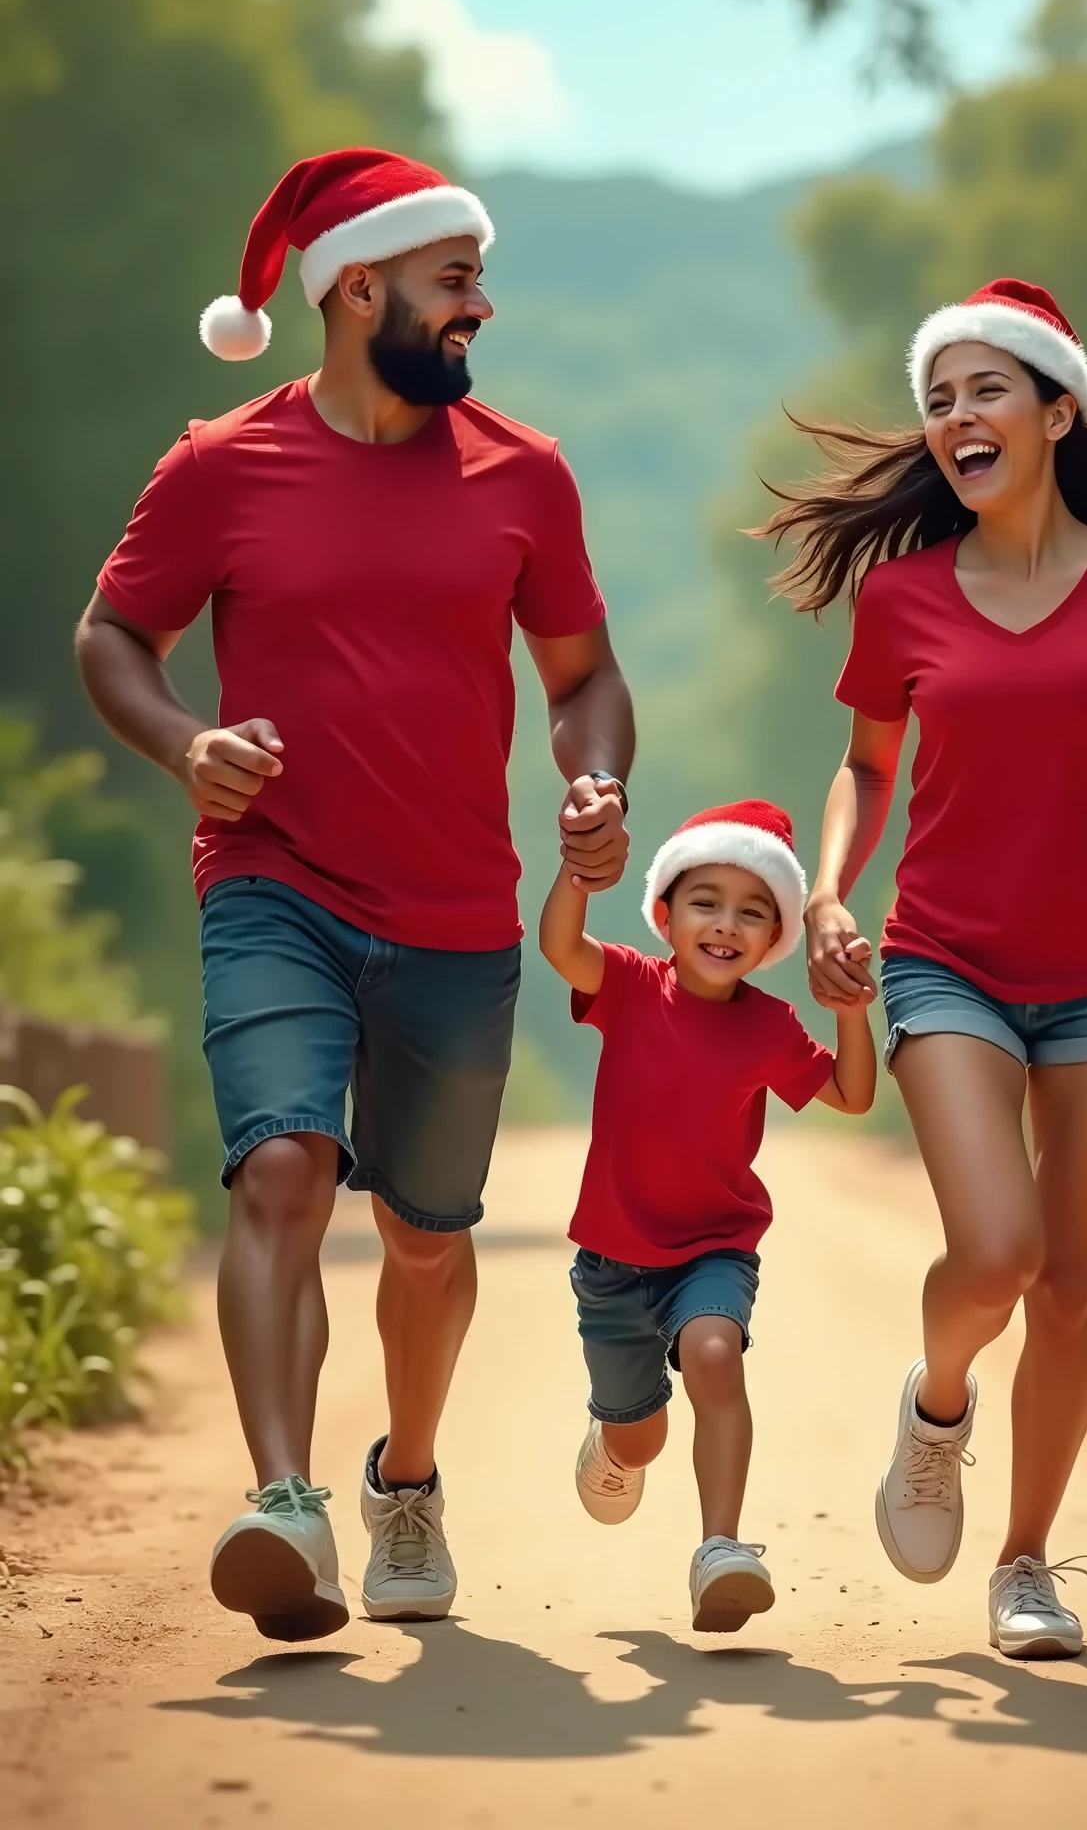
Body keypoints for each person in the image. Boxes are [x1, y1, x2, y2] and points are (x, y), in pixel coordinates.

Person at [75, 147, 634, 1642]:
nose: (480, 308)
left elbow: (582, 679)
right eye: (456, 282)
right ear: (362, 286)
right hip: (275, 886)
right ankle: (283, 1501)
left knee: (430, 1237)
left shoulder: (526, 474)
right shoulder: (219, 465)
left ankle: (405, 1478)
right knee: (282, 1169)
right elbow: (115, 637)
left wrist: (597, 785)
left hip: (454, 911)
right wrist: (189, 743)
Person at [759, 279, 1087, 1661]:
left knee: (1076, 1288)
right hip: (947, 961)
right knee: (999, 1253)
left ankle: (1025, 1563)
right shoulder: (905, 599)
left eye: (985, 391)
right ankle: (941, 1401)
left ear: (1054, 408)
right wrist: (833, 894)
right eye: (941, 398)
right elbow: (865, 769)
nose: (957, 417)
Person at [539, 798, 877, 1630]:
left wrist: (850, 1006)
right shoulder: (625, 984)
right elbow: (557, 946)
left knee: (716, 1353)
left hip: (712, 1250)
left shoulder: (768, 1026)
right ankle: (615, 1442)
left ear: (774, 940)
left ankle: (720, 1547)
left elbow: (853, 1093)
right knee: (639, 1441)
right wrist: (581, 866)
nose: (726, 925)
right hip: (614, 1262)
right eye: (706, 902)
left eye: (752, 912)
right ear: (665, 914)